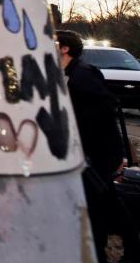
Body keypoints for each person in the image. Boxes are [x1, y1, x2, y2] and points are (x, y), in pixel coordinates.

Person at [57, 29, 139, 262]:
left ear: (64, 48)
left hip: (97, 152)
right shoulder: (73, 73)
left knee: (101, 202)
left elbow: (101, 112)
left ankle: (117, 249)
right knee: (102, 202)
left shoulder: (83, 74)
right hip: (93, 151)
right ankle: (114, 248)